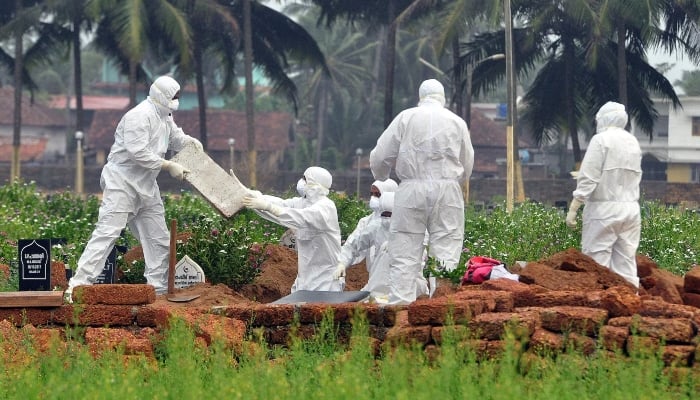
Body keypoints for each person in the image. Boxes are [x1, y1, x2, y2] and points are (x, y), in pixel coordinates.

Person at [65, 75, 203, 301]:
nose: (176, 101)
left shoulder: (164, 116)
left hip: (147, 186)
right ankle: (77, 287)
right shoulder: (138, 116)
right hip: (122, 183)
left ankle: (157, 290)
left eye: (178, 96)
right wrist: (167, 165)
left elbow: (175, 138)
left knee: (158, 238)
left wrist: (190, 142)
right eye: (173, 96)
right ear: (161, 95)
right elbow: (137, 153)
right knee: (107, 233)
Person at [370, 78, 474, 305]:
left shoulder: (406, 118)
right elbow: (468, 162)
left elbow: (381, 154)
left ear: (420, 96)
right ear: (442, 97)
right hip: (447, 189)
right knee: (446, 246)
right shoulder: (456, 121)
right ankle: (441, 304)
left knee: (405, 247)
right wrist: (456, 179)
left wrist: (381, 176)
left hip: (411, 189)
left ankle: (401, 304)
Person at [565, 101, 642, 288]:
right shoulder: (632, 141)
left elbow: (588, 177)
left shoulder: (601, 140)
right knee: (625, 262)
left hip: (603, 209)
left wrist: (574, 206)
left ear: (603, 119)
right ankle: (630, 306)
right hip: (631, 209)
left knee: (595, 262)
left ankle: (598, 306)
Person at [242, 166, 342, 292]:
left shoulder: (326, 207)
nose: (301, 182)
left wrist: (269, 207)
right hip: (305, 279)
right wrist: (254, 195)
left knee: (323, 311)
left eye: (304, 179)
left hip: (327, 281)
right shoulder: (303, 203)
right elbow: (282, 205)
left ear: (314, 183)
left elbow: (302, 217)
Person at [333, 192, 395, 302]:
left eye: (390, 215)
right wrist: (342, 262)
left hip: (402, 288)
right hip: (376, 286)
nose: (387, 220)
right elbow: (354, 245)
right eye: (384, 215)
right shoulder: (376, 227)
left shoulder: (409, 230)